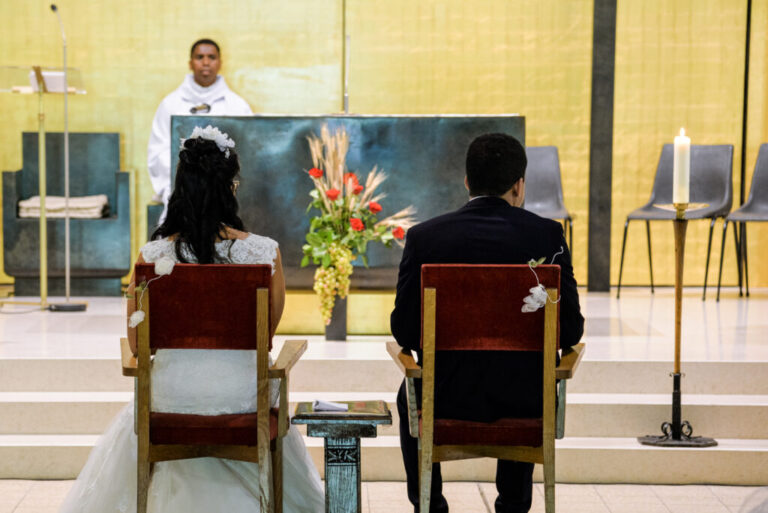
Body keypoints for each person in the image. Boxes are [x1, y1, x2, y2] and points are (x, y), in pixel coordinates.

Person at [59, 126, 324, 513]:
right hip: (242, 397)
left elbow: (137, 346)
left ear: (179, 190)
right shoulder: (265, 252)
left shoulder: (151, 256)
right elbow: (265, 334)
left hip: (170, 398)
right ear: (230, 187)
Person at [390, 133, 584, 513]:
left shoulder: (425, 237)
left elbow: (405, 331)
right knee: (525, 372)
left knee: (408, 392)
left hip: (445, 396)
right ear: (519, 185)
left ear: (466, 182)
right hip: (524, 399)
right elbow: (571, 329)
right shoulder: (546, 236)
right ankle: (513, 505)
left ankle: (430, 506)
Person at [147, 38, 253, 220]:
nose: (205, 62)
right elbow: (158, 151)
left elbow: (247, 151)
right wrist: (188, 180)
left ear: (220, 63)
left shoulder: (237, 105)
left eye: (211, 57)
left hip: (224, 191)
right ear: (190, 63)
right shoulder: (170, 104)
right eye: (199, 57)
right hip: (183, 189)